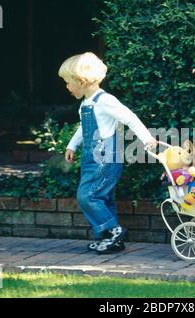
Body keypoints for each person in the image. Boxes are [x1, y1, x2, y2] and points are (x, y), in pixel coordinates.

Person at [59, 52, 157, 254]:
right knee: (103, 197)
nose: (67, 87)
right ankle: (110, 240)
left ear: (82, 80)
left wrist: (147, 138)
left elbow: (129, 117)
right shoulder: (86, 104)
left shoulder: (105, 100)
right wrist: (72, 145)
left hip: (105, 158)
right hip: (91, 158)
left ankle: (114, 230)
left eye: (68, 82)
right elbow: (82, 129)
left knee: (87, 195)